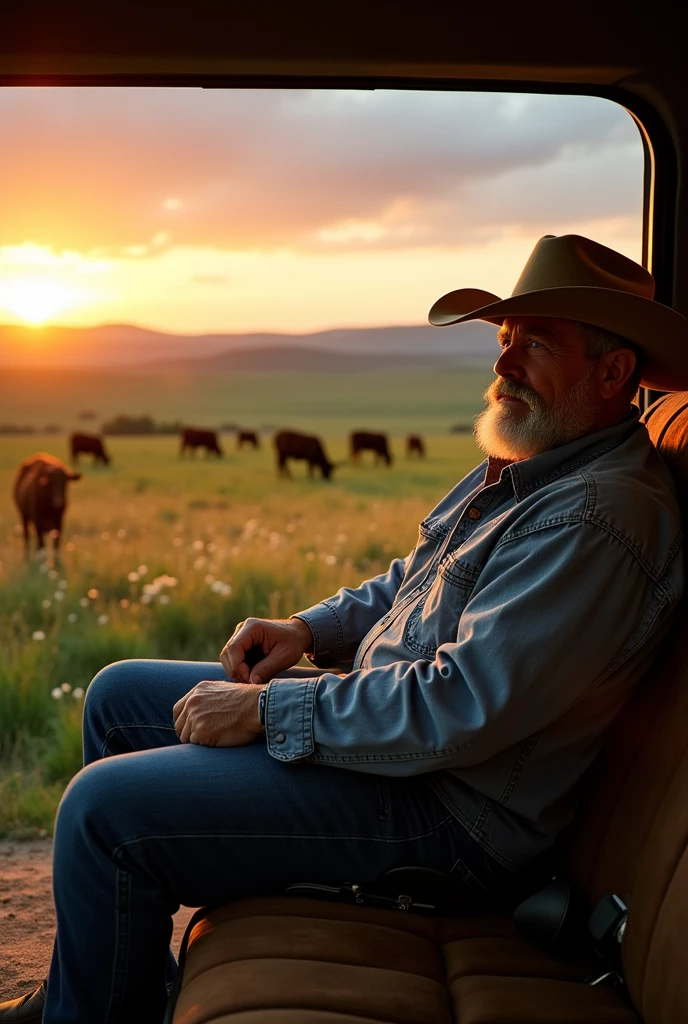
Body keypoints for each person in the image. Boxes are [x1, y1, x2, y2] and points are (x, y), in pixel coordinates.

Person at [2, 233, 687, 1024]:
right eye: (504, 340)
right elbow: (415, 581)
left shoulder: (599, 518)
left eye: (535, 344)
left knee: (102, 813)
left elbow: (461, 708)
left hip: (449, 814)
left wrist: (267, 709)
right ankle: (104, 992)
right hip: (400, 752)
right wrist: (307, 629)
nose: (503, 364)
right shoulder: (538, 465)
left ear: (613, 373)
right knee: (117, 697)